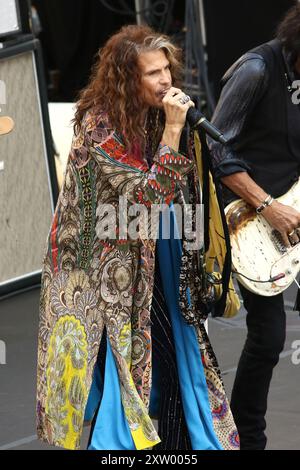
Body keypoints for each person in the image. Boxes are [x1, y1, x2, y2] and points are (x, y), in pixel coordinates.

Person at [36, 24, 239, 451]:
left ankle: (179, 441)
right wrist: (171, 132)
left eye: (167, 69)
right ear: (128, 78)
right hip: (106, 261)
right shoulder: (98, 127)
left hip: (156, 246)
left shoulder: (159, 114)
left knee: (173, 344)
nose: (165, 80)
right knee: (128, 357)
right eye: (152, 73)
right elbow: (145, 198)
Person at [208, 4, 300, 450]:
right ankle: (247, 437)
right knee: (269, 336)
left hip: (294, 208)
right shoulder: (257, 69)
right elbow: (215, 148)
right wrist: (267, 206)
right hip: (248, 215)